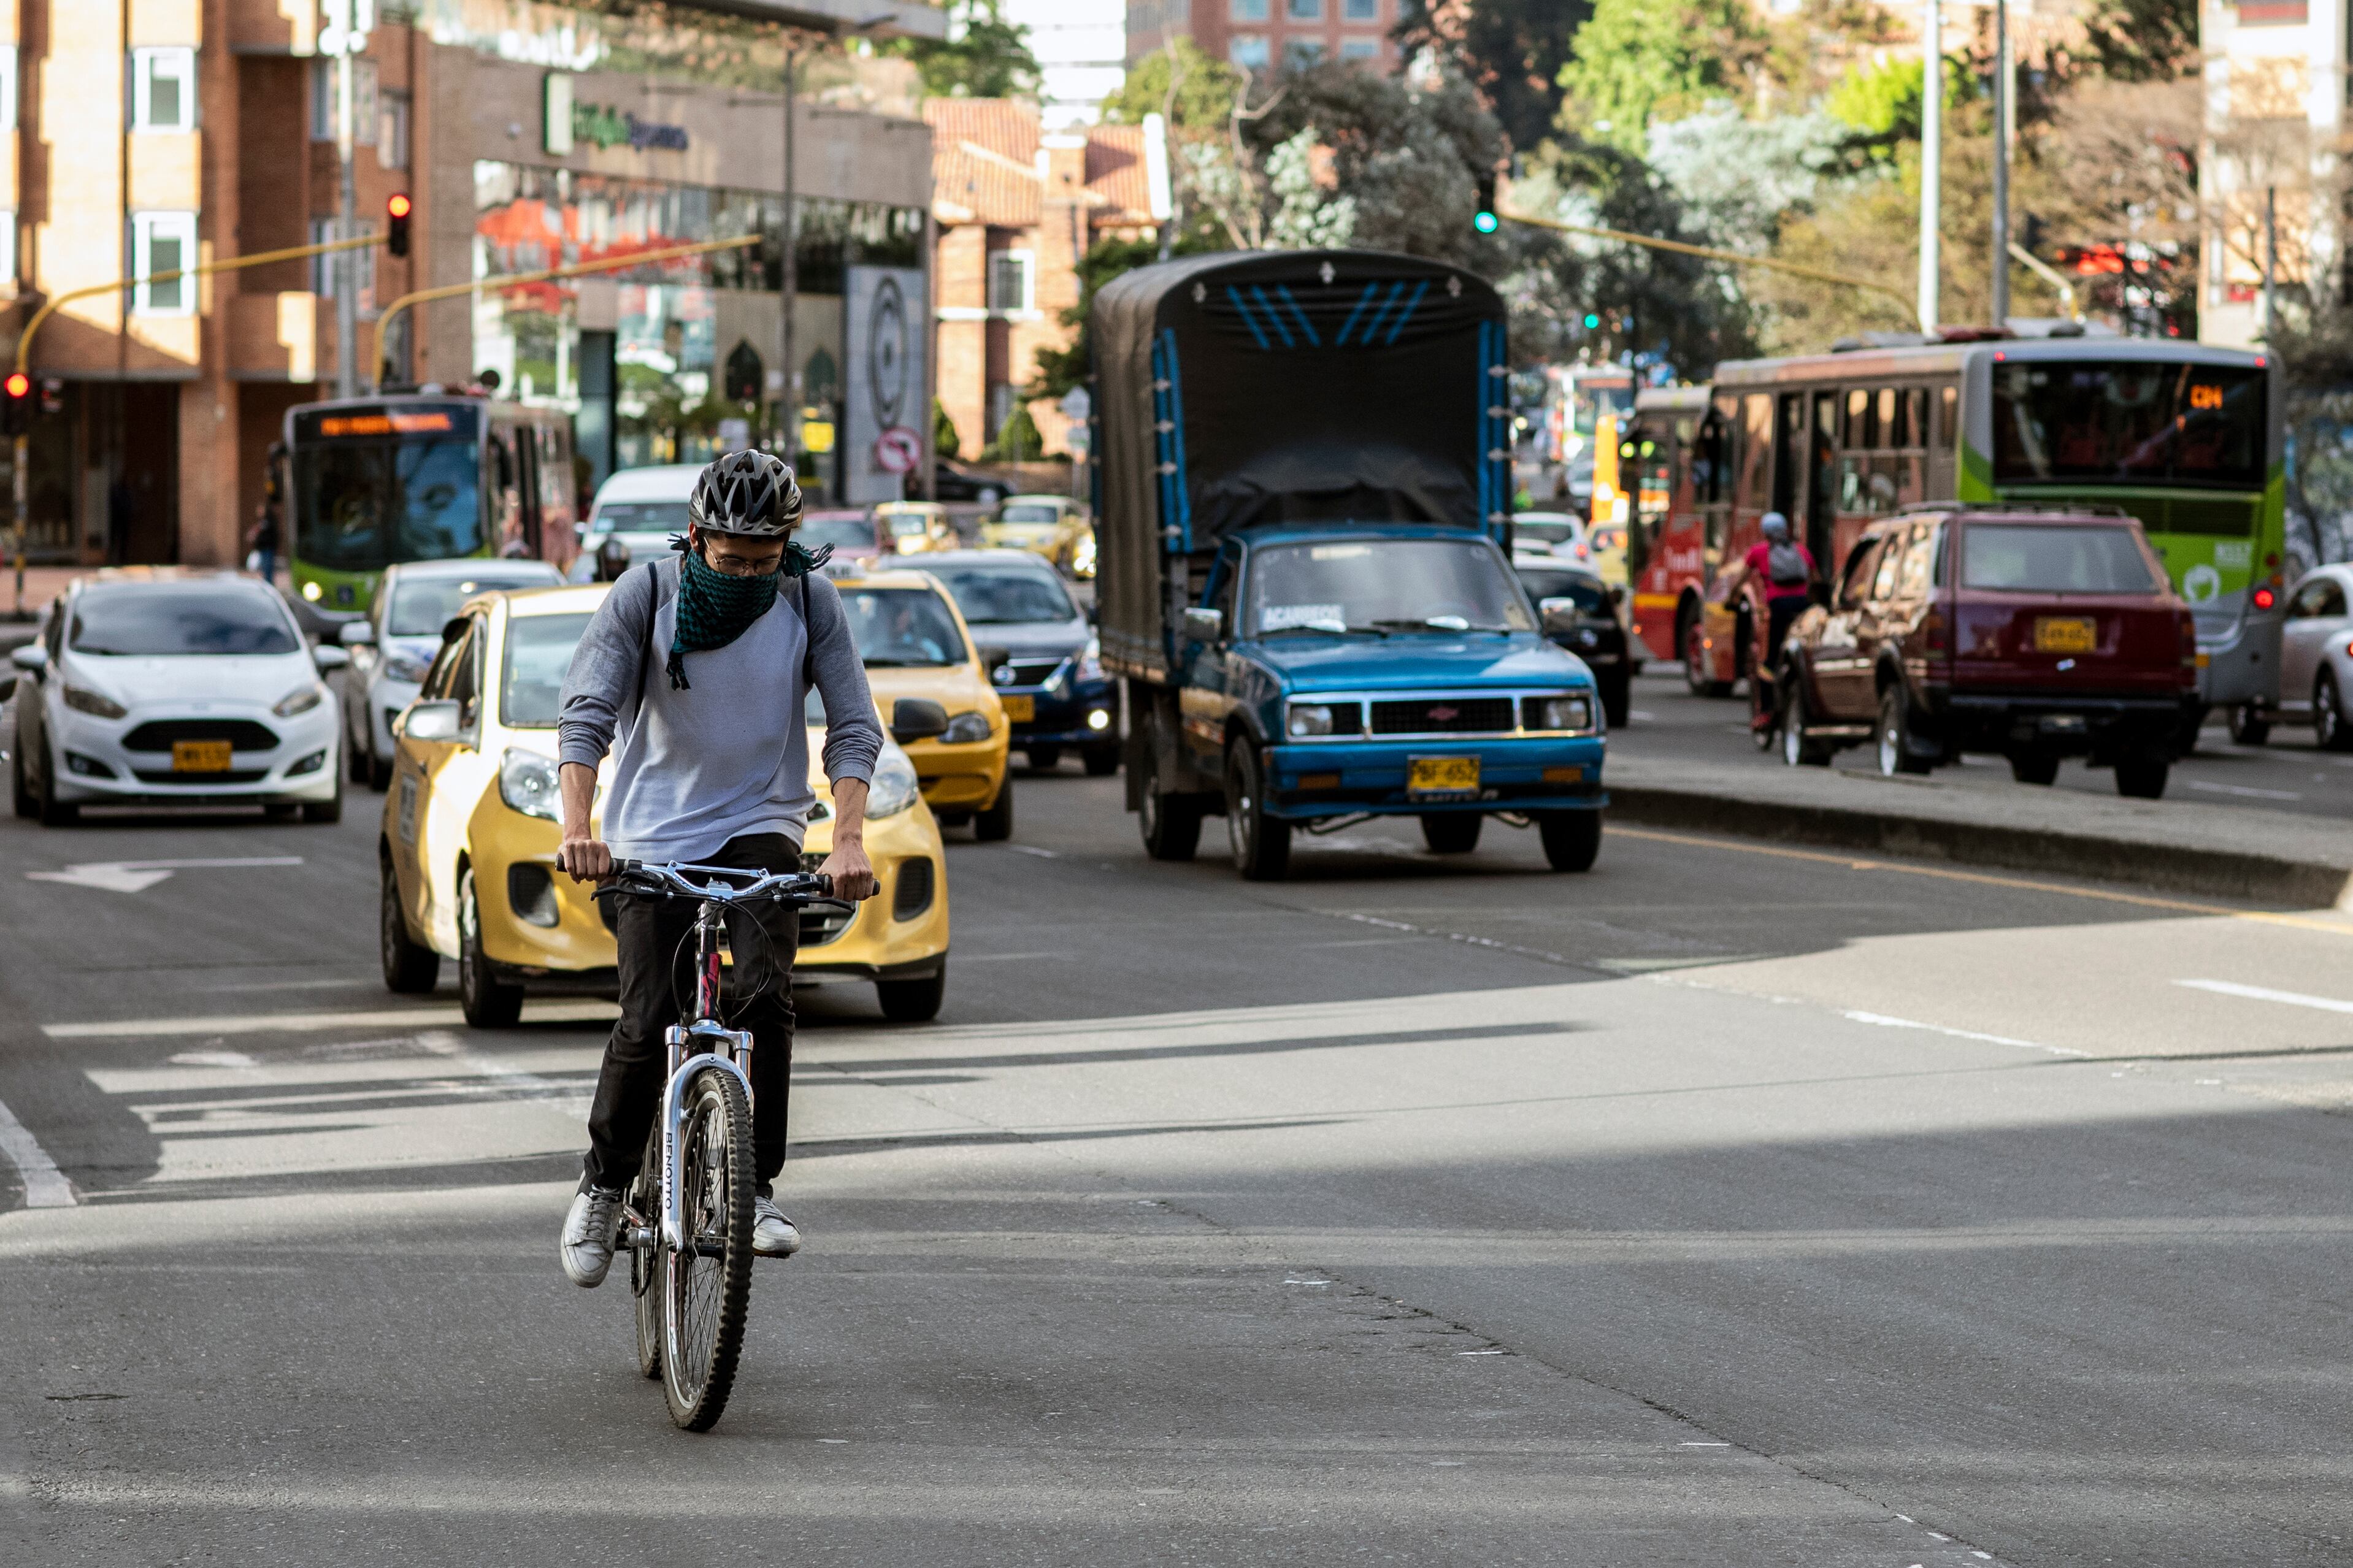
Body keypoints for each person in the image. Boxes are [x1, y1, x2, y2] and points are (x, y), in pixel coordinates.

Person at [550, 449, 885, 1288]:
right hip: (652, 837)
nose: (744, 576)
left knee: (766, 995)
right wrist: (580, 827)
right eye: (728, 559)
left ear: (788, 546)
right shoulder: (648, 594)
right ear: (696, 539)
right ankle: (602, 1185)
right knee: (648, 1013)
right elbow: (586, 712)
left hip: (760, 826)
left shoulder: (809, 599)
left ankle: (757, 1187)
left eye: (761, 562)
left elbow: (853, 726)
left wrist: (845, 840)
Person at [1735, 511, 1815, 729]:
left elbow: (1741, 580)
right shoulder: (1800, 550)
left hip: (1778, 608)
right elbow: (1814, 577)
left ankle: (1767, 713)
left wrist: (1731, 597)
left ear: (1765, 532)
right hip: (1802, 607)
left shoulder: (1758, 552)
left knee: (1768, 661)